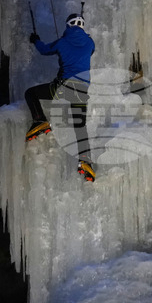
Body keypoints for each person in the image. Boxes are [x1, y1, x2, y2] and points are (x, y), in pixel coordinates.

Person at [25, 12, 96, 182]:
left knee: (31, 93)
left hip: (63, 88)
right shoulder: (90, 42)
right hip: (82, 91)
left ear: (68, 25)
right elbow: (90, 50)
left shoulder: (62, 42)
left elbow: (44, 50)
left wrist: (35, 39)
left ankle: (39, 121)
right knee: (80, 126)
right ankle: (86, 162)